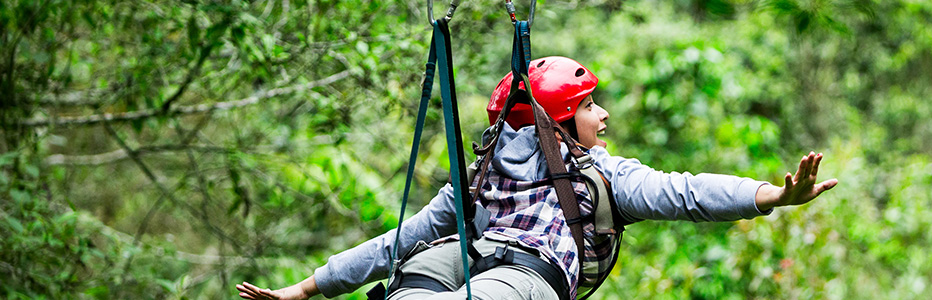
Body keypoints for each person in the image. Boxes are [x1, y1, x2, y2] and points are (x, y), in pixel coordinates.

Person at [236, 56, 838, 300]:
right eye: (589, 106)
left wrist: (771, 196)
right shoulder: (479, 178)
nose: (602, 116)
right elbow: (401, 240)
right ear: (555, 120)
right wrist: (309, 288)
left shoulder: (599, 177)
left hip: (532, 280)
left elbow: (684, 191)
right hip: (472, 259)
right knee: (406, 290)